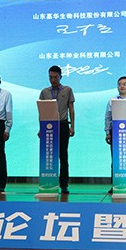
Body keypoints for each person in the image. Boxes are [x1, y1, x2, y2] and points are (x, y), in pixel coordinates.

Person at [39, 65, 75, 194]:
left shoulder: (67, 90)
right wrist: (40, 128)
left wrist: (72, 126)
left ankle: (64, 184)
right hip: (48, 127)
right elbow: (41, 111)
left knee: (63, 155)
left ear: (60, 77)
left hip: (63, 125)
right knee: (49, 155)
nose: (52, 80)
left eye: (55, 77)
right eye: (50, 77)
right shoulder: (44, 92)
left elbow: (71, 109)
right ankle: (49, 182)